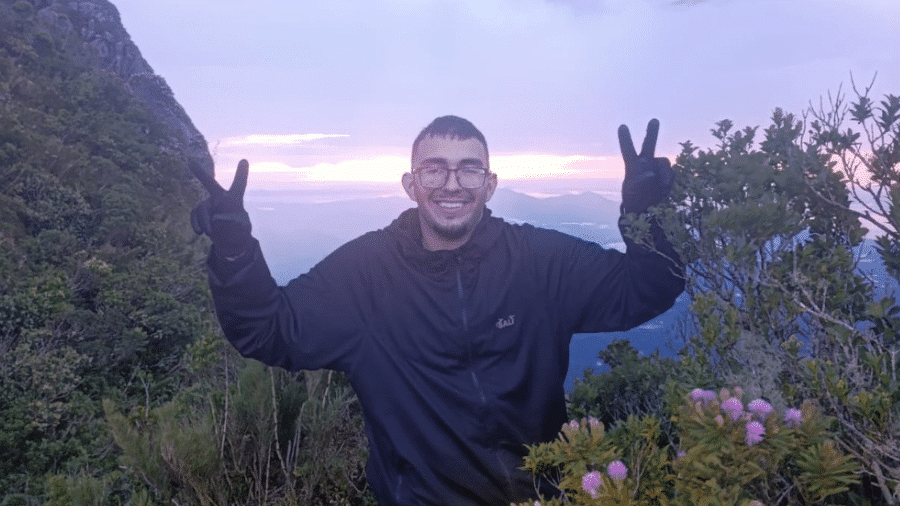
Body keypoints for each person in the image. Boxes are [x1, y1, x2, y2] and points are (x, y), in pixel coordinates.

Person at [189, 115, 684, 505]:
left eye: (469, 168)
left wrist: (646, 216)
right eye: (435, 168)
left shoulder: (539, 261)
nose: (452, 183)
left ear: (489, 184)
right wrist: (235, 252)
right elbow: (269, 330)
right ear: (410, 183)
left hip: (542, 496)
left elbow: (646, 290)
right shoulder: (366, 274)